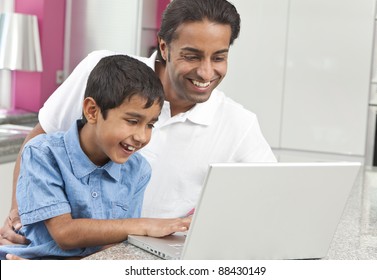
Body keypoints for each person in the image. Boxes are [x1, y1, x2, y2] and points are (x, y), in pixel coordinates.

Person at [0, 0, 276, 246]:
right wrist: (20, 217)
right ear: (165, 47)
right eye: (191, 56)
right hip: (63, 243)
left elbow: (272, 196)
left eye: (219, 57)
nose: (206, 72)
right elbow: (39, 140)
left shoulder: (239, 124)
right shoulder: (102, 70)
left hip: (138, 251)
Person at [0, 55, 190, 259]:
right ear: (92, 111)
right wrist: (145, 225)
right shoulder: (43, 153)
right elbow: (65, 233)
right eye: (132, 121)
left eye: (150, 125)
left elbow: (117, 242)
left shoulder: (138, 170)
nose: (142, 137)